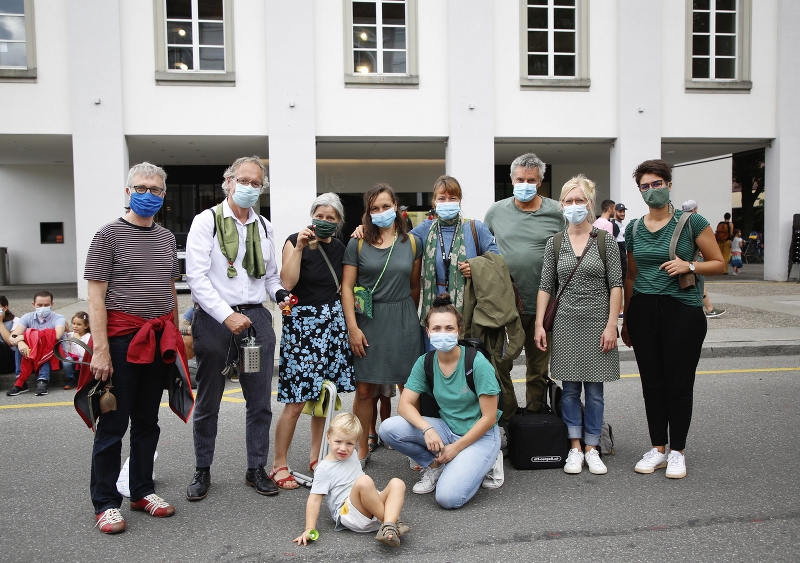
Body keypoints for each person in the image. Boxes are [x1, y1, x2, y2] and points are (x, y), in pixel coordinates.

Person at [83, 161, 183, 533]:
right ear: (127, 192)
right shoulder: (107, 235)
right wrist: (101, 349)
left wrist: (176, 334)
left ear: (163, 195)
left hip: (158, 340)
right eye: (140, 188)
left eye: (155, 190)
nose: (148, 195)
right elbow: (96, 297)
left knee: (147, 421)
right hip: (122, 339)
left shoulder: (167, 237)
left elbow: (169, 289)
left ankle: (141, 491)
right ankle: (106, 503)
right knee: (112, 423)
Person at [185, 155, 291, 501]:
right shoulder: (207, 221)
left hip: (256, 320)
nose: (248, 187)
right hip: (216, 320)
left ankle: (256, 468)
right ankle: (203, 469)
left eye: (255, 183)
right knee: (209, 400)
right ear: (228, 182)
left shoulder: (264, 226)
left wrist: (281, 295)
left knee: (259, 400)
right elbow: (196, 278)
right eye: (242, 180)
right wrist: (224, 314)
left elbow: (271, 275)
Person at [621, 159, 725, 480]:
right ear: (639, 191)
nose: (651, 191)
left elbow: (718, 262)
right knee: (652, 384)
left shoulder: (692, 222)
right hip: (643, 309)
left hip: (682, 310)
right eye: (644, 186)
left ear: (668, 184)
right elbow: (631, 276)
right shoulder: (634, 228)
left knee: (679, 384)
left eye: (657, 184)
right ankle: (658, 448)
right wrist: (626, 318)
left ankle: (678, 451)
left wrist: (689, 266)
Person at [534, 175, 622, 475]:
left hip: (598, 321)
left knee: (595, 392)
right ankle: (574, 446)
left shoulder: (605, 240)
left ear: (589, 204)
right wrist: (539, 325)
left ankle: (592, 446)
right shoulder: (555, 243)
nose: (574, 206)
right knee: (570, 390)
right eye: (568, 201)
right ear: (561, 205)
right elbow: (546, 285)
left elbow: (616, 285)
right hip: (566, 323)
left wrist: (612, 326)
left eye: (579, 200)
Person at [379, 294, 501, 508]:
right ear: (427, 332)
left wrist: (457, 448)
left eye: (448, 328)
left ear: (459, 330)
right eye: (436, 329)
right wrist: (427, 429)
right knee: (388, 429)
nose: (442, 333)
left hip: (480, 435)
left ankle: (489, 460)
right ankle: (435, 465)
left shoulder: (477, 363)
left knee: (448, 498)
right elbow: (404, 405)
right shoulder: (425, 362)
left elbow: (489, 417)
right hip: (446, 428)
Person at [270, 193, 355, 490]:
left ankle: (317, 456)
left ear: (339, 222)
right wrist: (301, 248)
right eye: (320, 216)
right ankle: (279, 464)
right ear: (311, 216)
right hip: (303, 328)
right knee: (295, 402)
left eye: (331, 218)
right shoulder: (296, 240)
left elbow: (345, 287)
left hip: (332, 326)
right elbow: (288, 283)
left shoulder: (342, 248)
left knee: (324, 398)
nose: (324, 222)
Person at [342, 183, 423, 467]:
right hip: (368, 322)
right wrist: (353, 328)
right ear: (368, 212)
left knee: (410, 388)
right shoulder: (358, 242)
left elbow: (414, 287)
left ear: (396, 207)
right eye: (374, 208)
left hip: (403, 321)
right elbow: (347, 288)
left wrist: (409, 320)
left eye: (385, 206)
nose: (381, 212)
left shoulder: (412, 242)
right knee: (364, 391)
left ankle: (417, 448)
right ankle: (359, 449)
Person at [484, 153, 565, 414]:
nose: (525, 184)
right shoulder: (496, 211)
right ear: (511, 179)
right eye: (520, 179)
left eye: (531, 180)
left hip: (543, 306)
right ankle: (507, 419)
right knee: (500, 366)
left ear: (540, 181)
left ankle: (534, 419)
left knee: (538, 370)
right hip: (506, 306)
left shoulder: (557, 211)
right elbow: (483, 249)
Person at [293, 413, 409, 548]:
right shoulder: (324, 468)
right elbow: (314, 499)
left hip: (368, 506)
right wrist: (309, 528)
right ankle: (391, 523)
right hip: (348, 513)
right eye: (338, 442)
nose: (343, 448)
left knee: (397, 483)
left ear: (356, 442)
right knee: (364, 481)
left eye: (349, 443)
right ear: (328, 437)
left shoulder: (352, 454)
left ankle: (389, 525)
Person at [6, 291, 67, 396]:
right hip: (32, 355)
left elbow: (57, 335)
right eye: (39, 305)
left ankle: (43, 380)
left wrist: (25, 336)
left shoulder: (59, 318)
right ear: (33, 305)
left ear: (52, 304)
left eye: (46, 305)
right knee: (19, 346)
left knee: (46, 341)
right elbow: (12, 337)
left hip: (54, 355)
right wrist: (21, 342)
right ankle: (20, 382)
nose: (43, 308)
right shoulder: (27, 317)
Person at [682, 201, 726, 318]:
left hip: (683, 260)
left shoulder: (679, 221)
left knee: (698, 284)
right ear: (695, 209)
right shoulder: (696, 220)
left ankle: (708, 308)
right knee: (699, 283)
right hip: (694, 260)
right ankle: (705, 309)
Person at [61, 311, 90, 390]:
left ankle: (84, 379)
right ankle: (70, 379)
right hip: (74, 358)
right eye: (73, 323)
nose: (75, 326)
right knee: (66, 361)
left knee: (82, 360)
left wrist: (78, 340)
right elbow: (66, 334)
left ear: (86, 326)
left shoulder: (88, 337)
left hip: (83, 358)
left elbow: (84, 354)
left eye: (79, 324)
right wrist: (66, 328)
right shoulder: (72, 334)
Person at [0, 296, 20, 376]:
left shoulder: (16, 321)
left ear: (5, 308)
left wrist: (0, 323)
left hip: (10, 359)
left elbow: (10, 342)